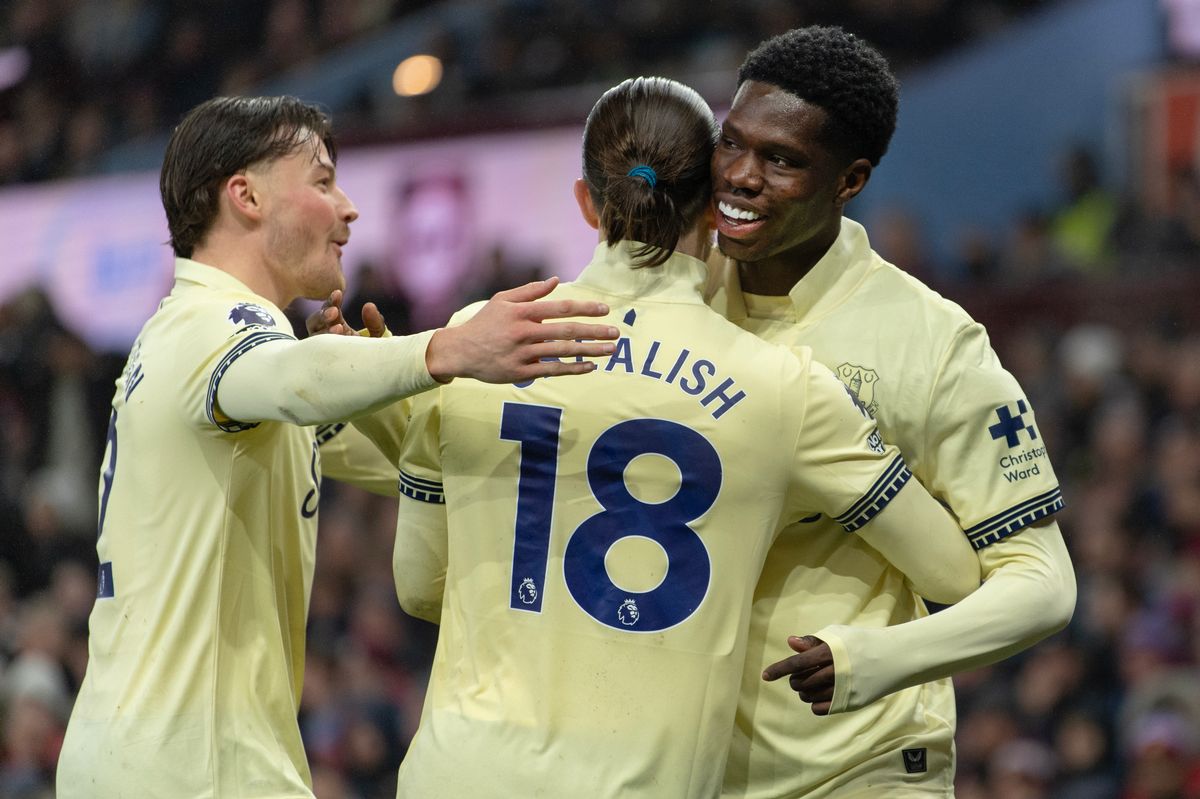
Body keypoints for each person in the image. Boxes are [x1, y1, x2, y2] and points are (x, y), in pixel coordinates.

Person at [380, 76, 983, 799]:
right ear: (713, 206)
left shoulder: (476, 335)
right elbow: (953, 573)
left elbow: (419, 588)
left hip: (456, 775)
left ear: (585, 201)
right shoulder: (780, 386)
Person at [55, 95, 621, 798]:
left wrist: (393, 392)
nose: (349, 208)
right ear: (247, 195)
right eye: (323, 181)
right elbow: (297, 380)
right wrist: (450, 347)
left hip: (158, 751)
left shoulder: (202, 344)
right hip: (195, 765)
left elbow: (407, 466)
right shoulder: (209, 328)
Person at [705, 26, 1077, 797]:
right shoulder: (672, 297)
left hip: (861, 767)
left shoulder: (934, 342)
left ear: (851, 181)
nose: (740, 176)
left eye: (781, 159)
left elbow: (1042, 581)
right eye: (730, 143)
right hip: (686, 764)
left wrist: (875, 658)